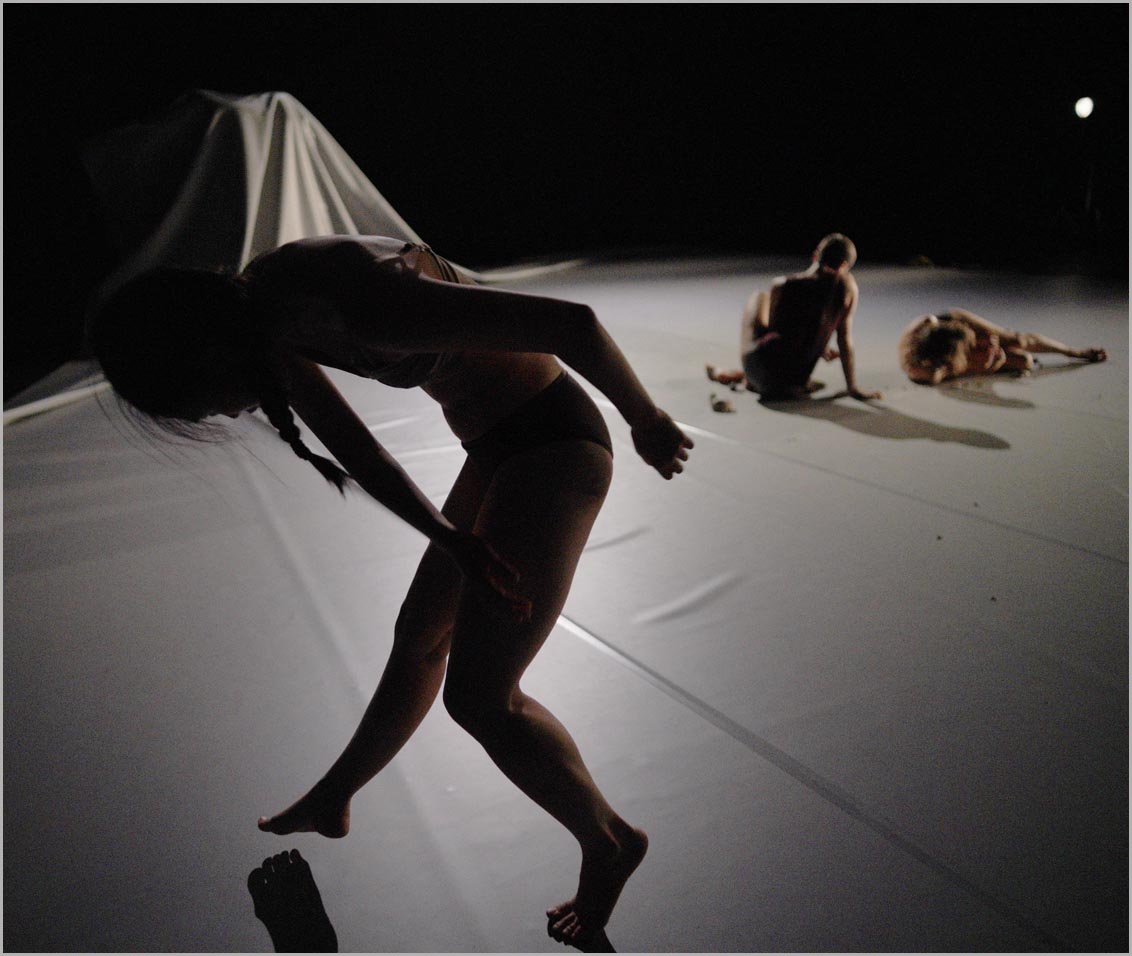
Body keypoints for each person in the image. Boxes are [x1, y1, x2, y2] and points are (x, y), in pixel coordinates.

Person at [89, 236, 694, 950]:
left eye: (201, 406)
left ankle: (610, 840)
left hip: (554, 443)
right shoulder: (271, 315)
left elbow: (572, 324)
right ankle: (337, 793)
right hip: (500, 445)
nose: (220, 416)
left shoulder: (359, 306)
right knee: (419, 639)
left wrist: (646, 418)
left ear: (205, 354)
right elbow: (363, 454)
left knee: (480, 697)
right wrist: (450, 537)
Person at [706, 233, 882, 401]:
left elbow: (776, 338)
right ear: (844, 266)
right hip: (796, 382)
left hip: (765, 377)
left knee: (759, 297)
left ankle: (742, 377)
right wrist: (852, 386)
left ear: (815, 255)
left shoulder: (783, 285)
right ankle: (742, 377)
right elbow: (844, 339)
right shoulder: (847, 289)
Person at [897, 309, 1107, 385]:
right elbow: (968, 368)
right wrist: (990, 366)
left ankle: (1073, 351)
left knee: (1016, 340)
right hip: (948, 351)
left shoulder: (928, 323)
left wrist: (1072, 352)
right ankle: (993, 354)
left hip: (951, 329)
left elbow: (933, 322)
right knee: (1024, 361)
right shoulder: (924, 370)